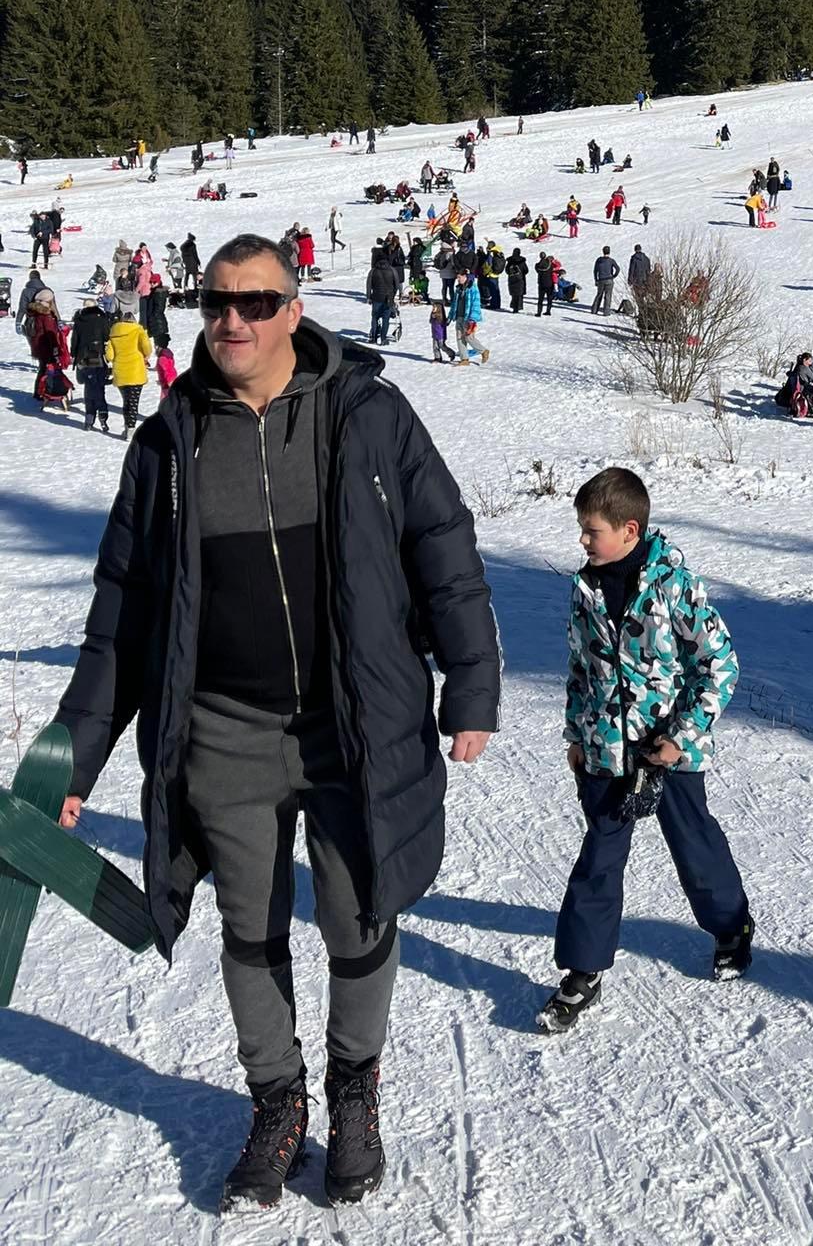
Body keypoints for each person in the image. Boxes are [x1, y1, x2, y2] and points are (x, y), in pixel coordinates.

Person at [54, 232, 498, 1209]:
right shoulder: (171, 439)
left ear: (294, 310)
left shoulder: (365, 412)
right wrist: (75, 754)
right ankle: (277, 1101)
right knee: (247, 928)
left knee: (358, 911)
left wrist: (470, 676)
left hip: (351, 717)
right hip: (226, 727)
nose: (233, 319)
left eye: (256, 301)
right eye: (216, 302)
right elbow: (122, 608)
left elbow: (441, 537)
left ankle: (354, 1089)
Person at [539, 467, 751, 1034]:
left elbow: (721, 664)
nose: (583, 541)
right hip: (608, 752)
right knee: (599, 859)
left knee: (695, 845)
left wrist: (680, 737)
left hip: (668, 751)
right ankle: (583, 972)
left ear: (629, 530)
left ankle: (731, 928)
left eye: (591, 531)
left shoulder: (674, 584)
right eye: (582, 530)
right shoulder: (585, 588)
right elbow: (581, 671)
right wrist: (577, 737)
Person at [105, 307, 153, 435]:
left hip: (120, 373)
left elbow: (109, 356)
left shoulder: (113, 334)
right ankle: (130, 430)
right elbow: (147, 348)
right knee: (133, 402)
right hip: (135, 371)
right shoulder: (138, 331)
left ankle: (127, 427)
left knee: (126, 401)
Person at [72, 294, 115, 434]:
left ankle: (89, 418)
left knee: (89, 388)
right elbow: (107, 336)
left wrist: (74, 355)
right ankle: (103, 415)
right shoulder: (101, 318)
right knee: (99, 387)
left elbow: (75, 341)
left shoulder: (79, 320)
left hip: (83, 357)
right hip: (98, 355)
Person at [452, 272, 490, 365]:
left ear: (465, 277)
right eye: (457, 277)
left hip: (468, 318)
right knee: (460, 338)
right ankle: (464, 359)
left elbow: (475, 304)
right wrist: (450, 316)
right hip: (459, 316)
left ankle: (483, 351)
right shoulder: (458, 288)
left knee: (469, 337)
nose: (458, 279)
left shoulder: (472, 287)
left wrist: (473, 318)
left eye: (459, 277)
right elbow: (454, 303)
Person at [365, 249, 399, 345]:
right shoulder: (392, 270)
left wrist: (368, 296)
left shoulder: (373, 270)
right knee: (386, 319)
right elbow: (397, 284)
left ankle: (374, 338)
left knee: (375, 318)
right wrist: (393, 294)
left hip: (376, 297)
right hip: (388, 298)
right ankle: (383, 338)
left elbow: (368, 285)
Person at [592, 247, 619, 314]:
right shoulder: (611, 260)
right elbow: (617, 269)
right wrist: (613, 276)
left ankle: (594, 310)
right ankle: (606, 311)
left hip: (601, 280)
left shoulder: (599, 260)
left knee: (599, 295)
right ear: (609, 252)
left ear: (603, 251)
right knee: (608, 296)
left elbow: (595, 271)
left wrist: (596, 279)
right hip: (609, 280)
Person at [428, 297, 455, 362]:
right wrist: (433, 316)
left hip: (441, 336)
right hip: (434, 334)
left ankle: (451, 353)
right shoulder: (433, 316)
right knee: (435, 347)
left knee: (442, 346)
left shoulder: (441, 318)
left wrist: (436, 316)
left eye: (435, 307)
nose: (433, 309)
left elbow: (441, 321)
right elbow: (430, 321)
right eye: (433, 308)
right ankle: (437, 358)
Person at [535, 251, 557, 317]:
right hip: (549, 283)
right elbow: (557, 265)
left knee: (540, 299)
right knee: (549, 298)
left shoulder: (537, 265)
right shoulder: (550, 265)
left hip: (541, 283)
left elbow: (537, 270)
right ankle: (548, 311)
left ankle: (539, 312)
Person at [508, 246, 529, 313]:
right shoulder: (522, 261)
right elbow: (526, 270)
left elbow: (506, 270)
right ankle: (518, 307)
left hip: (512, 279)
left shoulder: (510, 261)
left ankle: (514, 307)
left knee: (514, 294)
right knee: (519, 294)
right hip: (520, 280)